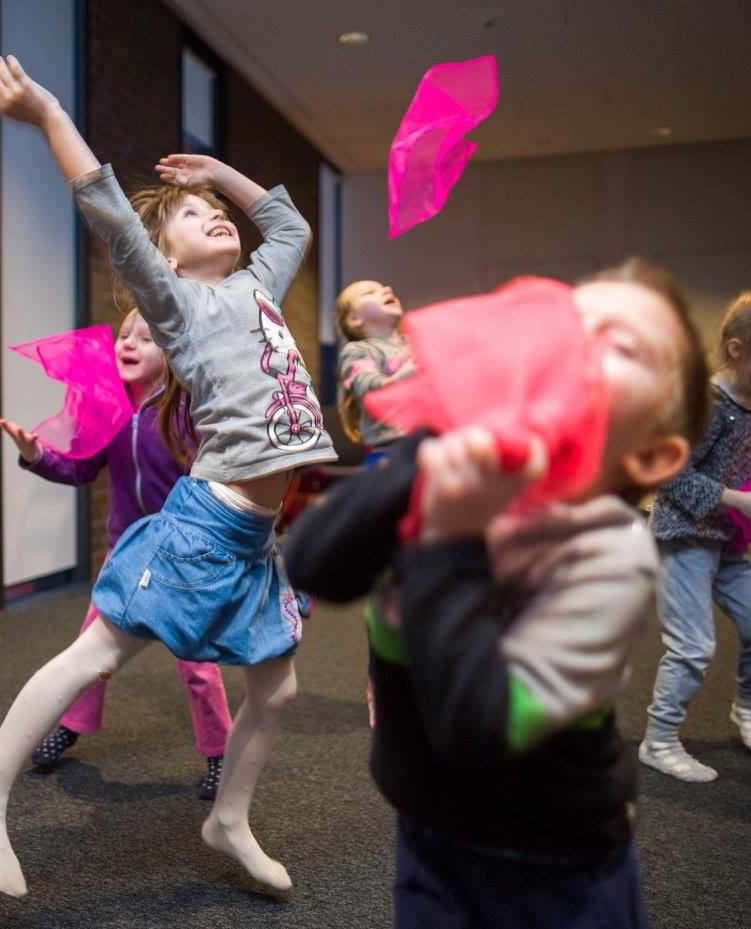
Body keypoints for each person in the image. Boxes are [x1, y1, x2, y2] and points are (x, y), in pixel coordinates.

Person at [0, 55, 334, 897]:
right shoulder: (179, 306)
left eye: (218, 213)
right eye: (196, 217)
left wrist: (217, 174)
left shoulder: (257, 290)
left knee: (277, 689)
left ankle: (227, 817)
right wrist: (50, 111)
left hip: (254, 539)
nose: (217, 218)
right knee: (95, 655)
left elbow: (292, 229)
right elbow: (106, 207)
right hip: (205, 525)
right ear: (165, 256)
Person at [285, 260, 709, 927]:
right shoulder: (457, 462)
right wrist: (425, 451)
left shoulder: (605, 549)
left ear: (651, 456)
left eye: (619, 345)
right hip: (427, 830)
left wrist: (448, 537)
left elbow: (477, 726)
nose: (572, 343)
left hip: (554, 865)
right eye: (568, 322)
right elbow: (313, 563)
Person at [0, 308, 232, 797]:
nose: (129, 343)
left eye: (146, 338)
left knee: (197, 665)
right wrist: (37, 456)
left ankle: (220, 753)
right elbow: (80, 471)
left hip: (180, 555)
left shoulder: (184, 409)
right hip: (125, 551)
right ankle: (73, 724)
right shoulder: (108, 407)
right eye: (124, 335)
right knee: (90, 652)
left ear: (170, 352)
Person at [641, 285, 751, 781]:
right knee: (693, 647)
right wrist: (735, 499)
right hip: (685, 537)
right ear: (737, 350)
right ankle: (659, 740)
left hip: (729, 539)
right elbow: (669, 471)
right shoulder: (708, 402)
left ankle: (747, 708)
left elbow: (750, 459)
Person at [335, 280, 414, 464]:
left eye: (386, 287)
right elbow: (368, 387)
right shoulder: (357, 351)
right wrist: (403, 376)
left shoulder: (415, 343)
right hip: (390, 451)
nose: (388, 289)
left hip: (430, 441)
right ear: (355, 319)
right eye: (370, 292)